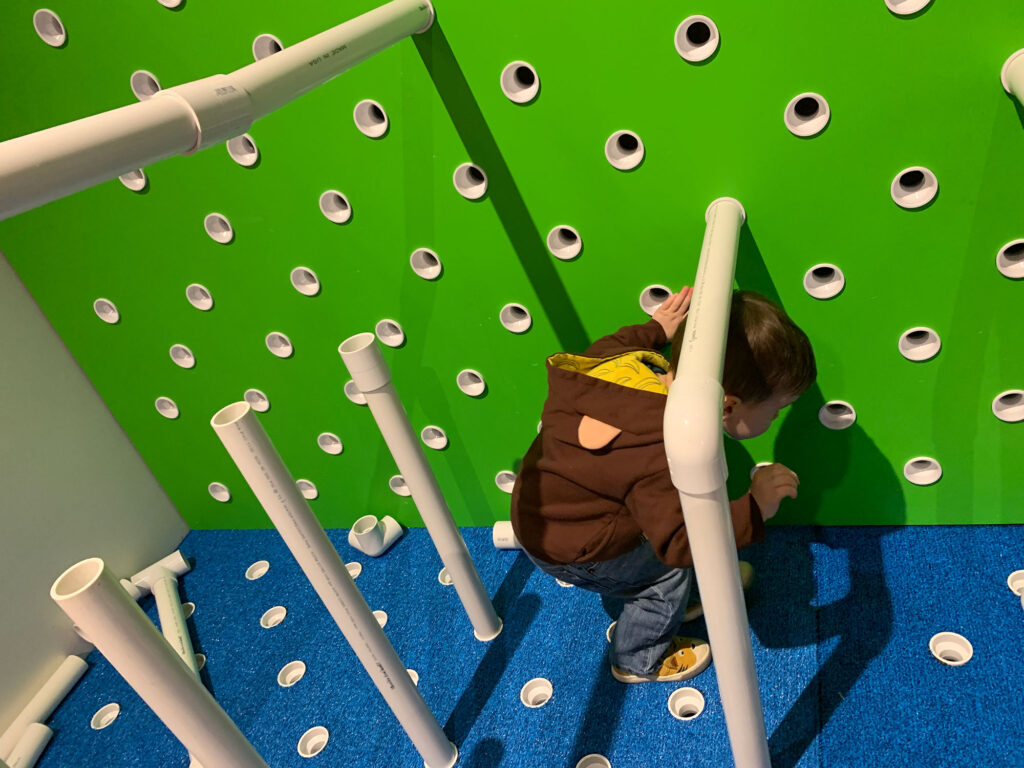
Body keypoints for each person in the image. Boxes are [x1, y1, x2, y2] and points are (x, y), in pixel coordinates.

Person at [510, 286, 817, 683]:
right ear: (729, 406)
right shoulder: (661, 445)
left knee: (666, 543)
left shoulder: (627, 365)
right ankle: (636, 657)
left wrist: (657, 327)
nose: (773, 421)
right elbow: (682, 541)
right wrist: (755, 508)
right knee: (666, 572)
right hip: (575, 547)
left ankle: (684, 599)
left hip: (544, 511)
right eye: (774, 413)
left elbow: (612, 343)